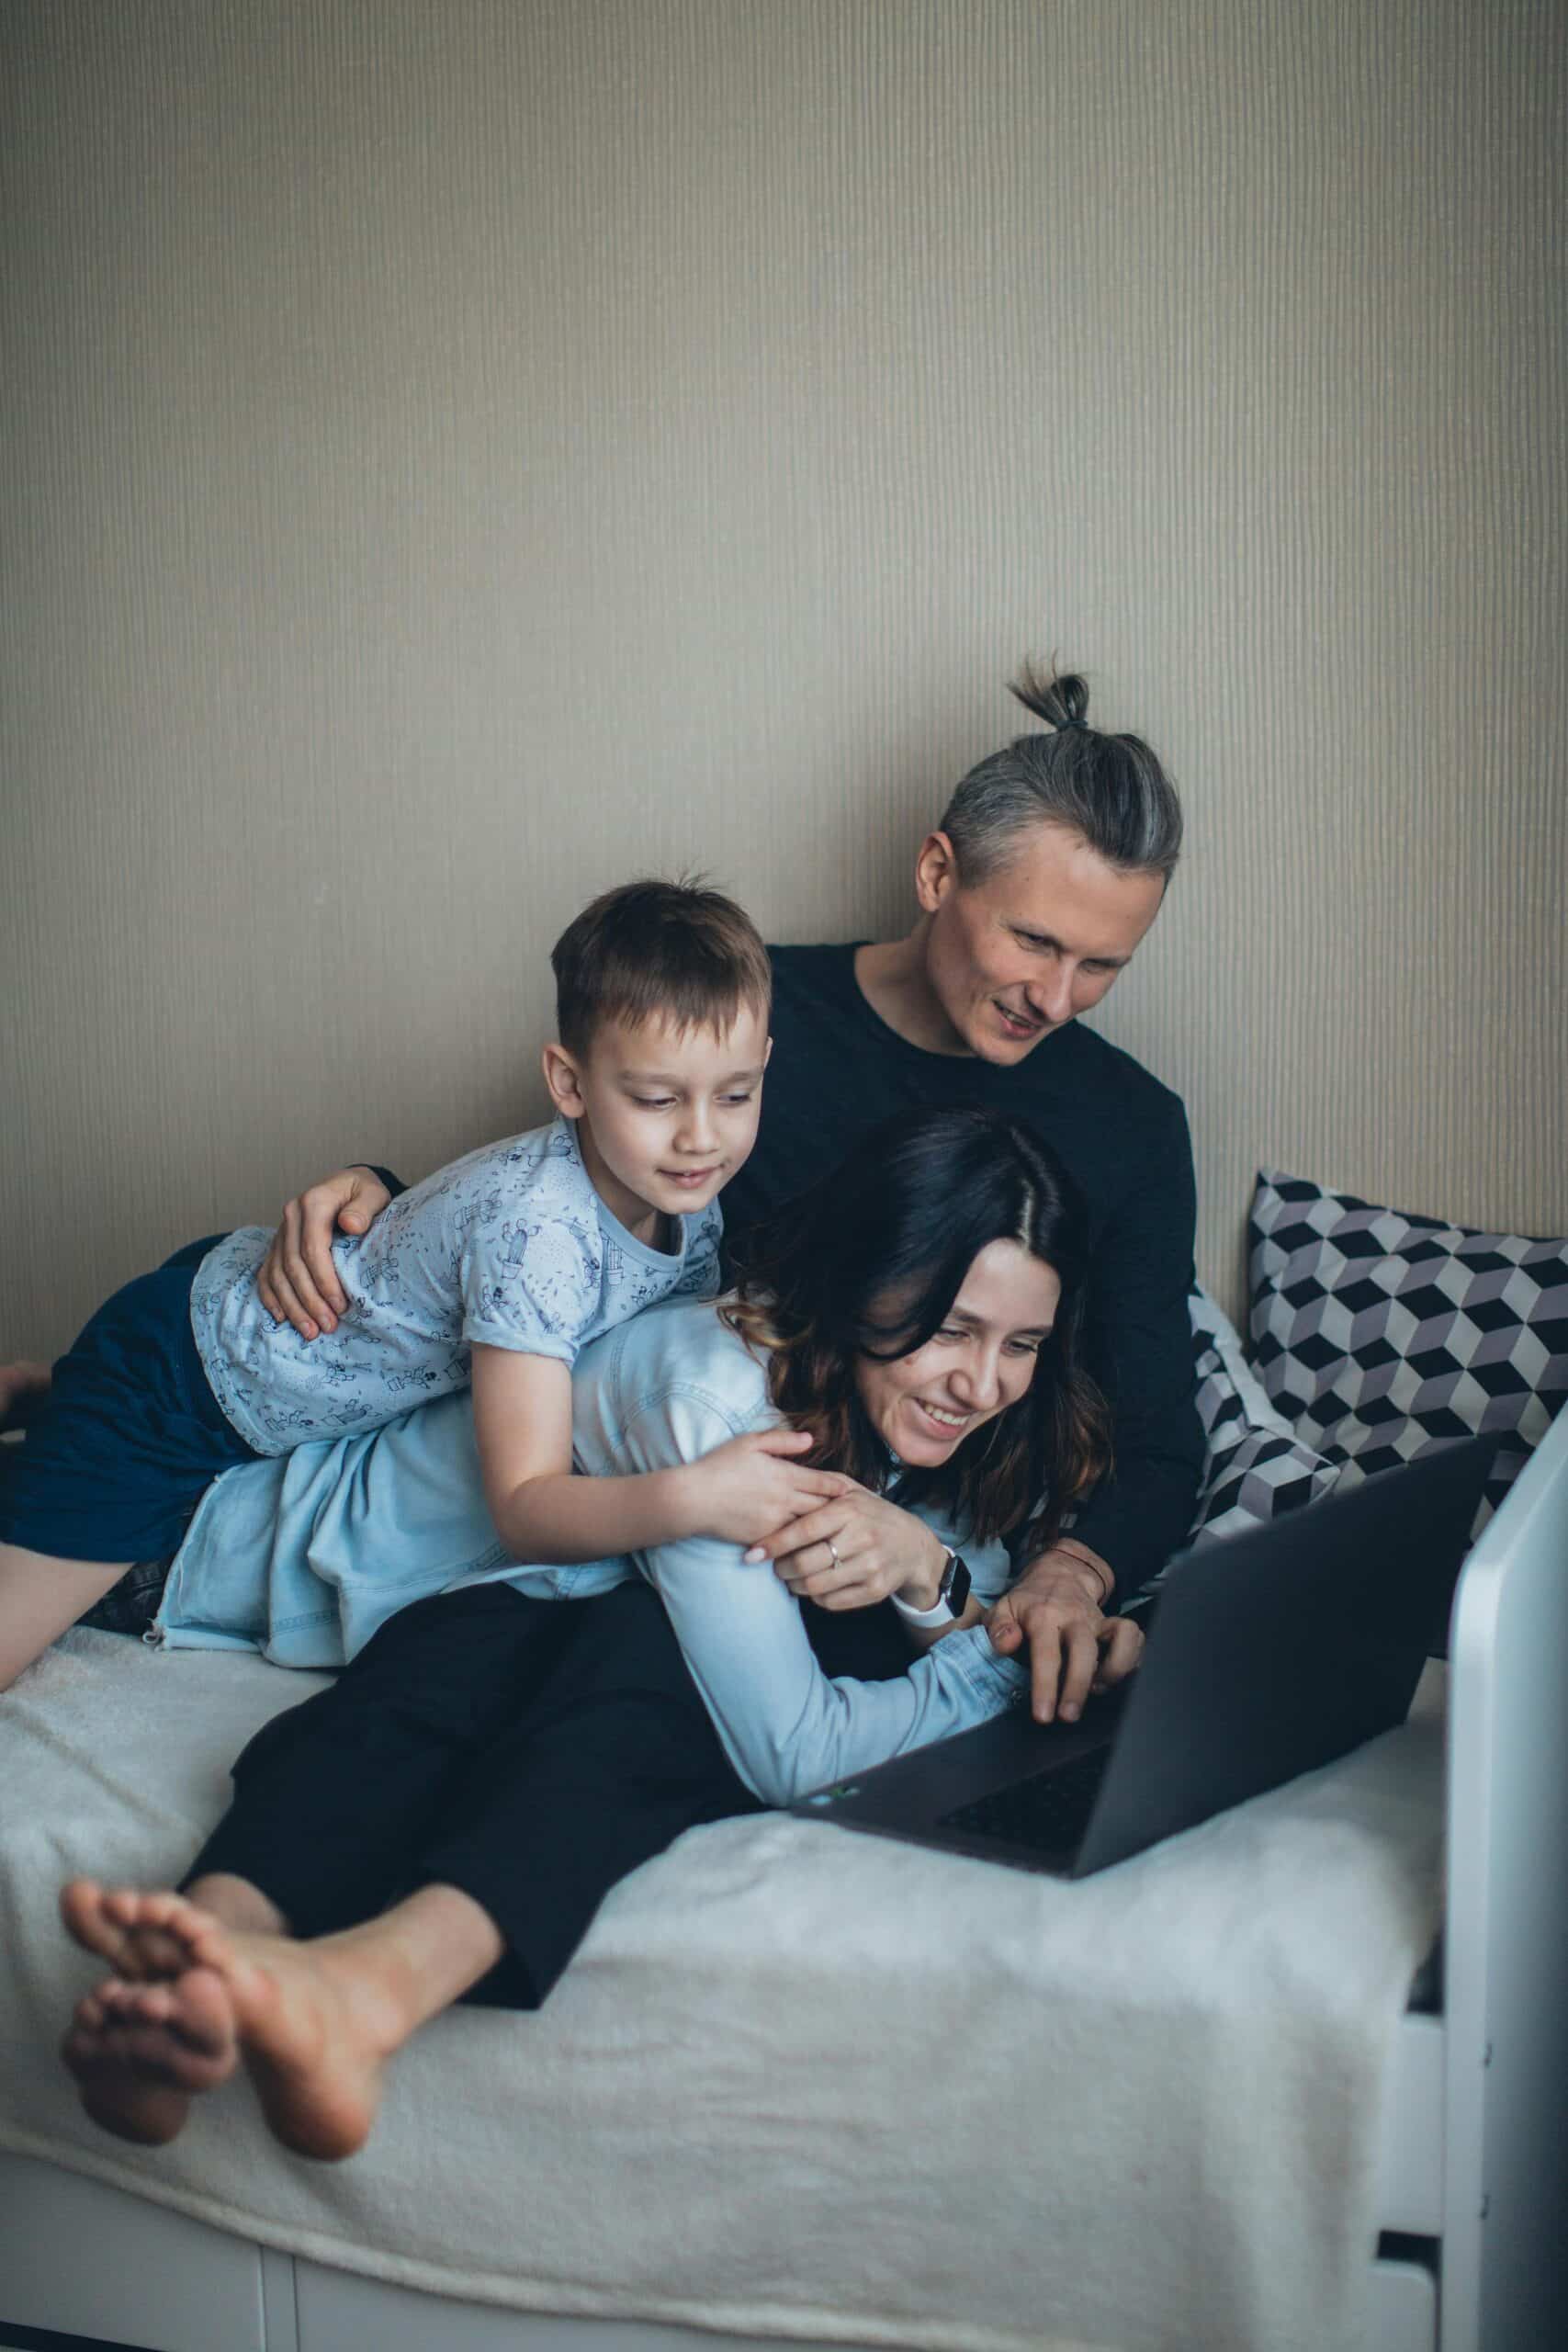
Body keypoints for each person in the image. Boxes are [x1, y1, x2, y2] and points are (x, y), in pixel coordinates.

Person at [60, 1107, 1136, 2162]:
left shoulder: (939, 1416)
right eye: (951, 1329)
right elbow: (793, 1749)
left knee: (599, 1648)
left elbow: (974, 1571)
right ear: (866, 1277)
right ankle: (243, 1967)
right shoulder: (711, 1396)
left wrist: (934, 1573)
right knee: (607, 1659)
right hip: (192, 1536)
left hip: (477, 1605)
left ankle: (223, 1973)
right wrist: (995, 1673)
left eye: (1022, 1344)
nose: (981, 1383)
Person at [257, 663, 1201, 1710]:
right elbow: (561, 1210)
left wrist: (1070, 1575)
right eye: (1034, 941)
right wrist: (380, 1200)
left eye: (1102, 966)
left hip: (904, 1557)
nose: (1056, 998)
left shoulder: (1133, 1129)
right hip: (696, 1514)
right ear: (938, 871)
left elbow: (1160, 1442)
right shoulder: (754, 1024)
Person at [0, 878, 840, 1690]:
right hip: (187, 1381)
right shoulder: (537, 1234)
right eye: (657, 1099)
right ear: (569, 1083)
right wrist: (694, 1497)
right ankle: (77, 1392)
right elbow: (523, 1507)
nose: (702, 1138)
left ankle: (47, 1390)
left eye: (735, 1094)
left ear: (765, 1063)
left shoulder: (688, 1196)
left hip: (267, 1335)